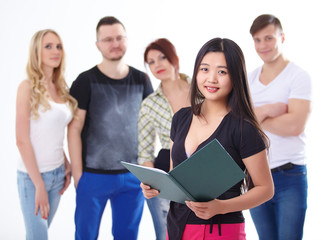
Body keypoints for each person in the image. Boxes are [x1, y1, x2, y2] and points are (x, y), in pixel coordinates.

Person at [141, 37, 274, 240]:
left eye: (222, 72)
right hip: (177, 226)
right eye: (204, 69)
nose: (211, 79)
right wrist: (156, 187)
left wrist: (221, 207)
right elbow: (174, 176)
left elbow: (266, 189)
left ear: (236, 77)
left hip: (220, 231)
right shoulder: (181, 118)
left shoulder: (243, 129)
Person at [68, 16, 153, 240]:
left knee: (127, 236)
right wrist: (79, 176)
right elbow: (74, 130)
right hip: (93, 176)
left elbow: (148, 128)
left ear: (126, 40)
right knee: (85, 235)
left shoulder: (142, 79)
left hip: (133, 176)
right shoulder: (84, 81)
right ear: (98, 45)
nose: (114, 43)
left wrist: (147, 168)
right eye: (107, 39)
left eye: (119, 38)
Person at [248, 14, 312, 240]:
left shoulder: (298, 76)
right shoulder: (250, 80)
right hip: (255, 177)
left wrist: (255, 116)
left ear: (281, 37)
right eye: (257, 40)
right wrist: (266, 111)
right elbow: (242, 124)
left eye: (268, 38)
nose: (262, 45)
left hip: (290, 174)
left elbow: (295, 125)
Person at [16, 29, 77, 240]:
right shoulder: (27, 87)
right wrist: (39, 185)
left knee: (37, 235)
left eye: (58, 46)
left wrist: (67, 163)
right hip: (33, 178)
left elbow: (52, 132)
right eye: (48, 46)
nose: (55, 51)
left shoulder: (60, 88)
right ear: (36, 52)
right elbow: (21, 140)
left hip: (58, 174)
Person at [138, 38, 190, 240]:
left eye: (162, 57)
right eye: (151, 62)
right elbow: (145, 151)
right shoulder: (149, 104)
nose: (157, 64)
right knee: (166, 234)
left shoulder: (201, 86)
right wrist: (150, 182)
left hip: (201, 164)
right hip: (166, 174)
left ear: (174, 58)